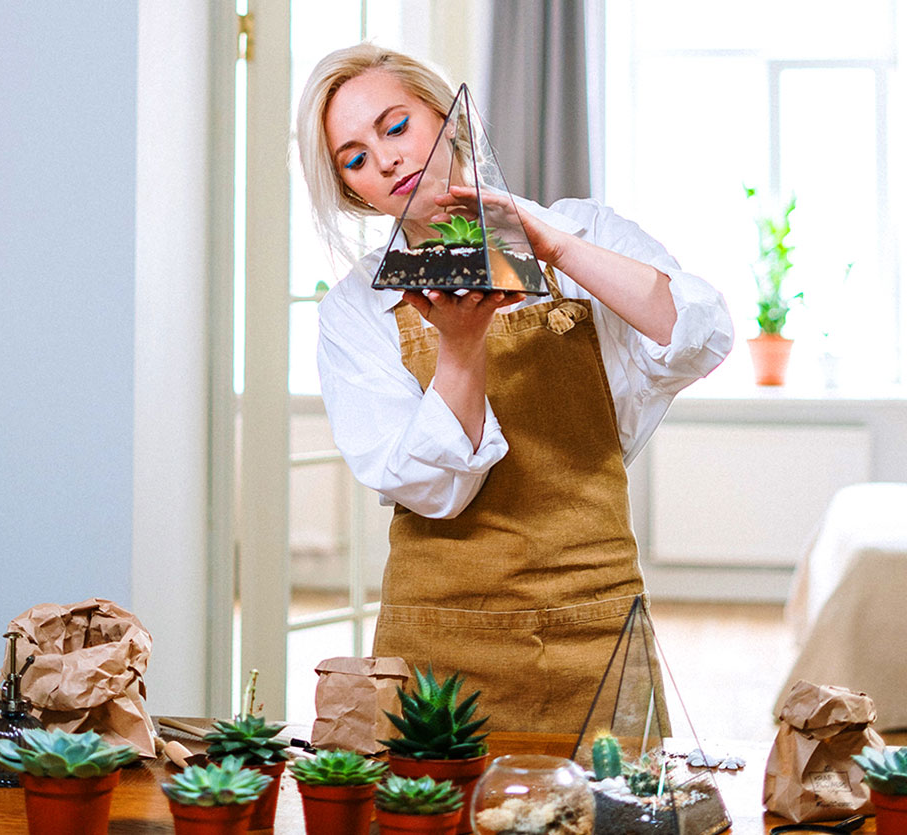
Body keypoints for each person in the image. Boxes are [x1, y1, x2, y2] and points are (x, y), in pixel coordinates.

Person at [296, 43, 734, 733]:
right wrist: (461, 348)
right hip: (439, 642)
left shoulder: (585, 232)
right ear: (354, 191)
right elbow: (435, 489)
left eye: (396, 126)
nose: (383, 160)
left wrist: (550, 245)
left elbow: (699, 335)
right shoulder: (356, 311)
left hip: (596, 627)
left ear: (447, 118)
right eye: (354, 158)